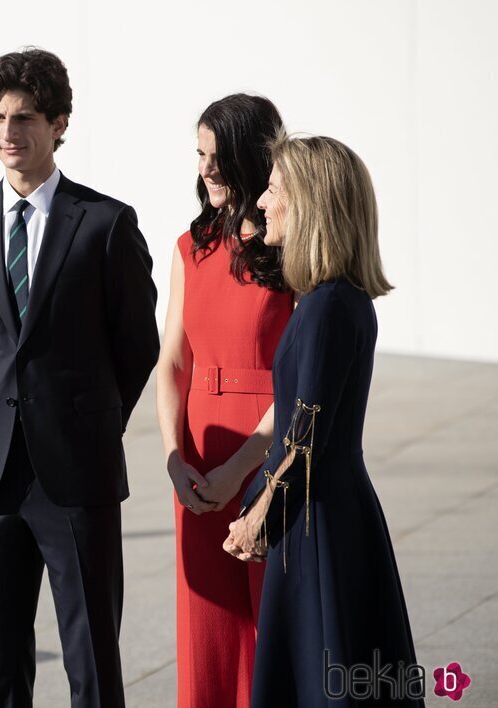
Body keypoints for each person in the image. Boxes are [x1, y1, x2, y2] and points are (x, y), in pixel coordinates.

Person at [0, 48, 160, 707]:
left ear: (60, 124)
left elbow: (136, 345)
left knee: (90, 658)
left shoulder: (107, 224)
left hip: (75, 470)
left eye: (24, 117)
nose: (7, 132)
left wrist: (84, 418)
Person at [224, 135, 423, 707]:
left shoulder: (330, 306)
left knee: (325, 676)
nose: (261, 201)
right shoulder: (329, 300)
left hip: (318, 523)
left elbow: (303, 438)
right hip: (320, 513)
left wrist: (257, 518)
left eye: (274, 189)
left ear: (309, 203)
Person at [155, 94, 292, 708]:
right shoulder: (190, 246)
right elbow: (172, 363)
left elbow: (299, 378)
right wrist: (173, 460)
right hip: (199, 460)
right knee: (206, 633)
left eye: (219, 155)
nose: (207, 169)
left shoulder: (292, 247)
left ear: (251, 157)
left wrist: (240, 471)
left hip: (270, 454)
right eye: (201, 155)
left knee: (270, 625)